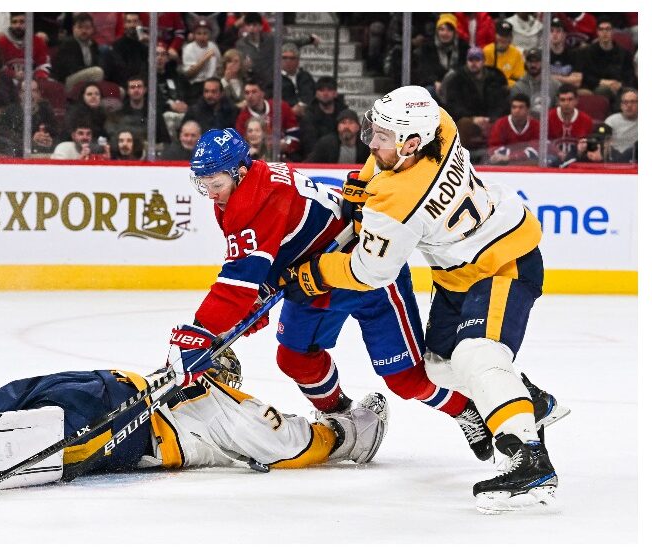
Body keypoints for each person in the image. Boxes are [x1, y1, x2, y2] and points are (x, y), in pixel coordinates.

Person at [280, 85, 564, 513]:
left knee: (476, 354)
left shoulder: (396, 201)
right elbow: (386, 155)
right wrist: (364, 181)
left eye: (382, 137)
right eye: (374, 132)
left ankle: (529, 458)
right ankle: (531, 400)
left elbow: (370, 272)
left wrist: (316, 272)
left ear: (411, 144)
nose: (372, 144)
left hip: (503, 261)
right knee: (438, 366)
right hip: (458, 273)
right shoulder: (441, 126)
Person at [177, 127, 521, 470]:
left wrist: (200, 332)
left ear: (240, 171)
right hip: (311, 280)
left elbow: (237, 284)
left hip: (367, 275)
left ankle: (465, 409)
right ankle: (342, 416)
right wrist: (252, 302)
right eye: (203, 185)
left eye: (216, 184)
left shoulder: (260, 199)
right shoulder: (240, 193)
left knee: (407, 380)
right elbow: (265, 259)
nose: (210, 194)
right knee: (295, 358)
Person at [0, 353, 390, 498]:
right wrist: (348, 433)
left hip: (102, 383)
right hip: (125, 422)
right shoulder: (235, 409)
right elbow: (292, 444)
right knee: (10, 442)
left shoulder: (194, 382)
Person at [443, 46, 509, 161]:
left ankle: (499, 158)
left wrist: (490, 119)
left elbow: (502, 104)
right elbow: (453, 105)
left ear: (483, 61)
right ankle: (458, 160)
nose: (474, 63)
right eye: (471, 60)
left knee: (502, 123)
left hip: (491, 120)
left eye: (477, 60)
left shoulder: (495, 78)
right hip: (468, 120)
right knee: (464, 124)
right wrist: (473, 118)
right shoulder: (456, 79)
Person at [235, 81, 301, 161]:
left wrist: (285, 144)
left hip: (284, 156)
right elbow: (239, 144)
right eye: (247, 93)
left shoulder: (281, 107)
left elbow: (294, 137)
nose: (250, 96)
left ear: (262, 93)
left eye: (254, 92)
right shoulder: (242, 117)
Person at [579, 16, 635, 106]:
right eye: (601, 29)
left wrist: (620, 84)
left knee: (631, 93)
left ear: (612, 31)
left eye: (608, 29)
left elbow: (630, 76)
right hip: (598, 87)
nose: (604, 32)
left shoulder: (624, 53)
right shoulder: (588, 52)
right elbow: (586, 77)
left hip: (620, 87)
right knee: (603, 90)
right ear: (597, 32)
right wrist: (603, 82)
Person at [412, 13, 467, 101]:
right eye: (442, 29)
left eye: (449, 30)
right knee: (428, 92)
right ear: (437, 31)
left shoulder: (463, 47)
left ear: (454, 32)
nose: (445, 33)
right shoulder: (427, 47)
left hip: (457, 85)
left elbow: (464, 70)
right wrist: (435, 82)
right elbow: (424, 71)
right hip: (435, 85)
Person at [2, 79, 62, 156]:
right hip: (19, 153)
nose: (30, 94)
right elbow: (6, 135)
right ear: (20, 94)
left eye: (34, 91)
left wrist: (50, 140)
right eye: (26, 91)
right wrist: (31, 139)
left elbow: (57, 133)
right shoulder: (10, 111)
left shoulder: (45, 109)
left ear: (39, 94)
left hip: (44, 151)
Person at [106, 74, 171, 144]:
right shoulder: (119, 112)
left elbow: (164, 139)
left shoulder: (154, 113)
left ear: (145, 90)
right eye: (132, 87)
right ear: (128, 91)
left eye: (139, 87)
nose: (136, 90)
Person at [53, 12, 105, 90]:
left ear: (92, 30)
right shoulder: (68, 43)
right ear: (73, 28)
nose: (84, 31)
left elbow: (98, 63)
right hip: (66, 81)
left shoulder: (93, 44)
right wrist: (92, 68)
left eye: (87, 28)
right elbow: (72, 69)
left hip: (86, 77)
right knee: (97, 72)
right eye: (80, 27)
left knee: (119, 90)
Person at [0, 12, 51, 82]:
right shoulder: (1, 42)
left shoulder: (38, 41)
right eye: (14, 22)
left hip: (33, 83)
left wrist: (37, 77)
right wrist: (13, 74)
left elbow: (44, 64)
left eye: (22, 22)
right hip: (7, 82)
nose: (18, 25)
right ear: (10, 24)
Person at [487, 93, 540, 165]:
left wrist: (511, 157)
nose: (517, 110)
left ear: (528, 109)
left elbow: (536, 149)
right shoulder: (500, 124)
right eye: (514, 107)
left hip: (528, 164)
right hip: (504, 164)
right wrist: (517, 156)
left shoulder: (536, 125)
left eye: (521, 107)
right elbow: (494, 147)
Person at [548, 84, 594, 164]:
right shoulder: (548, 117)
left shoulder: (586, 120)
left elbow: (589, 147)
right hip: (552, 160)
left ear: (576, 100)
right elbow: (543, 144)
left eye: (570, 99)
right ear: (558, 101)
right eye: (562, 100)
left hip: (577, 160)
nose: (566, 103)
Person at [180, 18, 220, 104]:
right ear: (194, 35)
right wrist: (204, 59)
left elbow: (219, 67)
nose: (202, 36)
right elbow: (189, 74)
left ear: (210, 34)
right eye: (199, 33)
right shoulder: (188, 48)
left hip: (214, 82)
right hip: (197, 85)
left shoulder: (213, 46)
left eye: (205, 33)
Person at [510, 48, 559, 118]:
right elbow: (517, 113)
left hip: (550, 122)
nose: (533, 65)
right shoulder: (518, 87)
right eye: (530, 61)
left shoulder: (555, 85)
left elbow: (559, 111)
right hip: (527, 123)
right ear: (526, 63)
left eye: (537, 61)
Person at [304, 76, 349, 142]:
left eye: (329, 90)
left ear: (335, 94)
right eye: (321, 90)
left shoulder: (344, 113)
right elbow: (309, 141)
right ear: (316, 94)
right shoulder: (309, 114)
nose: (325, 94)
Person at [483, 20, 524, 87]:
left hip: (509, 88)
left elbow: (519, 77)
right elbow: (484, 76)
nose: (503, 39)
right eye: (501, 35)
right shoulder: (487, 51)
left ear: (511, 38)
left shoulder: (516, 53)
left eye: (506, 36)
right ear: (495, 35)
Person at [279, 43, 315, 118]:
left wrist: (302, 105)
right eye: (284, 58)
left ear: (298, 60)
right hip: (284, 116)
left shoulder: (305, 76)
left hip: (306, 114)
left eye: (292, 58)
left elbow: (311, 94)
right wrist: (290, 110)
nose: (288, 61)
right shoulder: (274, 78)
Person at [548, 17, 584, 89]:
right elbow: (539, 79)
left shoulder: (575, 54)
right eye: (551, 31)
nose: (554, 34)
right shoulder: (543, 55)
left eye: (558, 31)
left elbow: (577, 83)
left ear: (564, 35)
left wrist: (552, 77)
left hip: (569, 91)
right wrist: (568, 79)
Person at [604, 88, 637, 162]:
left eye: (633, 102)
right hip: (615, 159)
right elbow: (605, 145)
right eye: (625, 102)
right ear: (621, 105)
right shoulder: (611, 121)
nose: (629, 105)